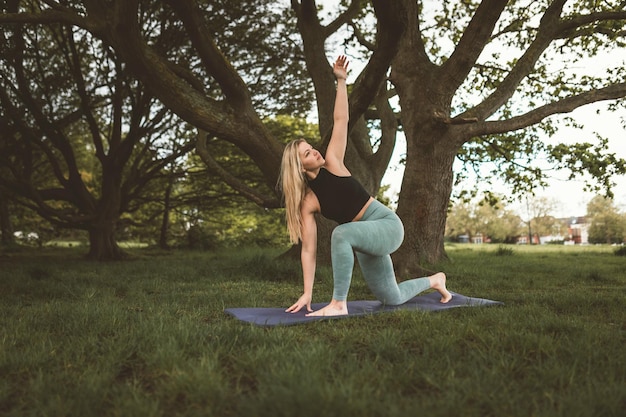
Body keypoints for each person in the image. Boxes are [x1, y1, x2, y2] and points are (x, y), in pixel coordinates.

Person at [278, 55, 452, 317]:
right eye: (307, 154)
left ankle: (339, 304)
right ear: (300, 169)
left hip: (386, 225)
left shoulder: (333, 162)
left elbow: (340, 121)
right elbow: (309, 250)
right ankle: (436, 280)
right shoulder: (308, 202)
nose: (315, 152)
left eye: (311, 148)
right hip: (365, 237)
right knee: (391, 297)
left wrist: (341, 81)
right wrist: (307, 292)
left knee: (341, 234)